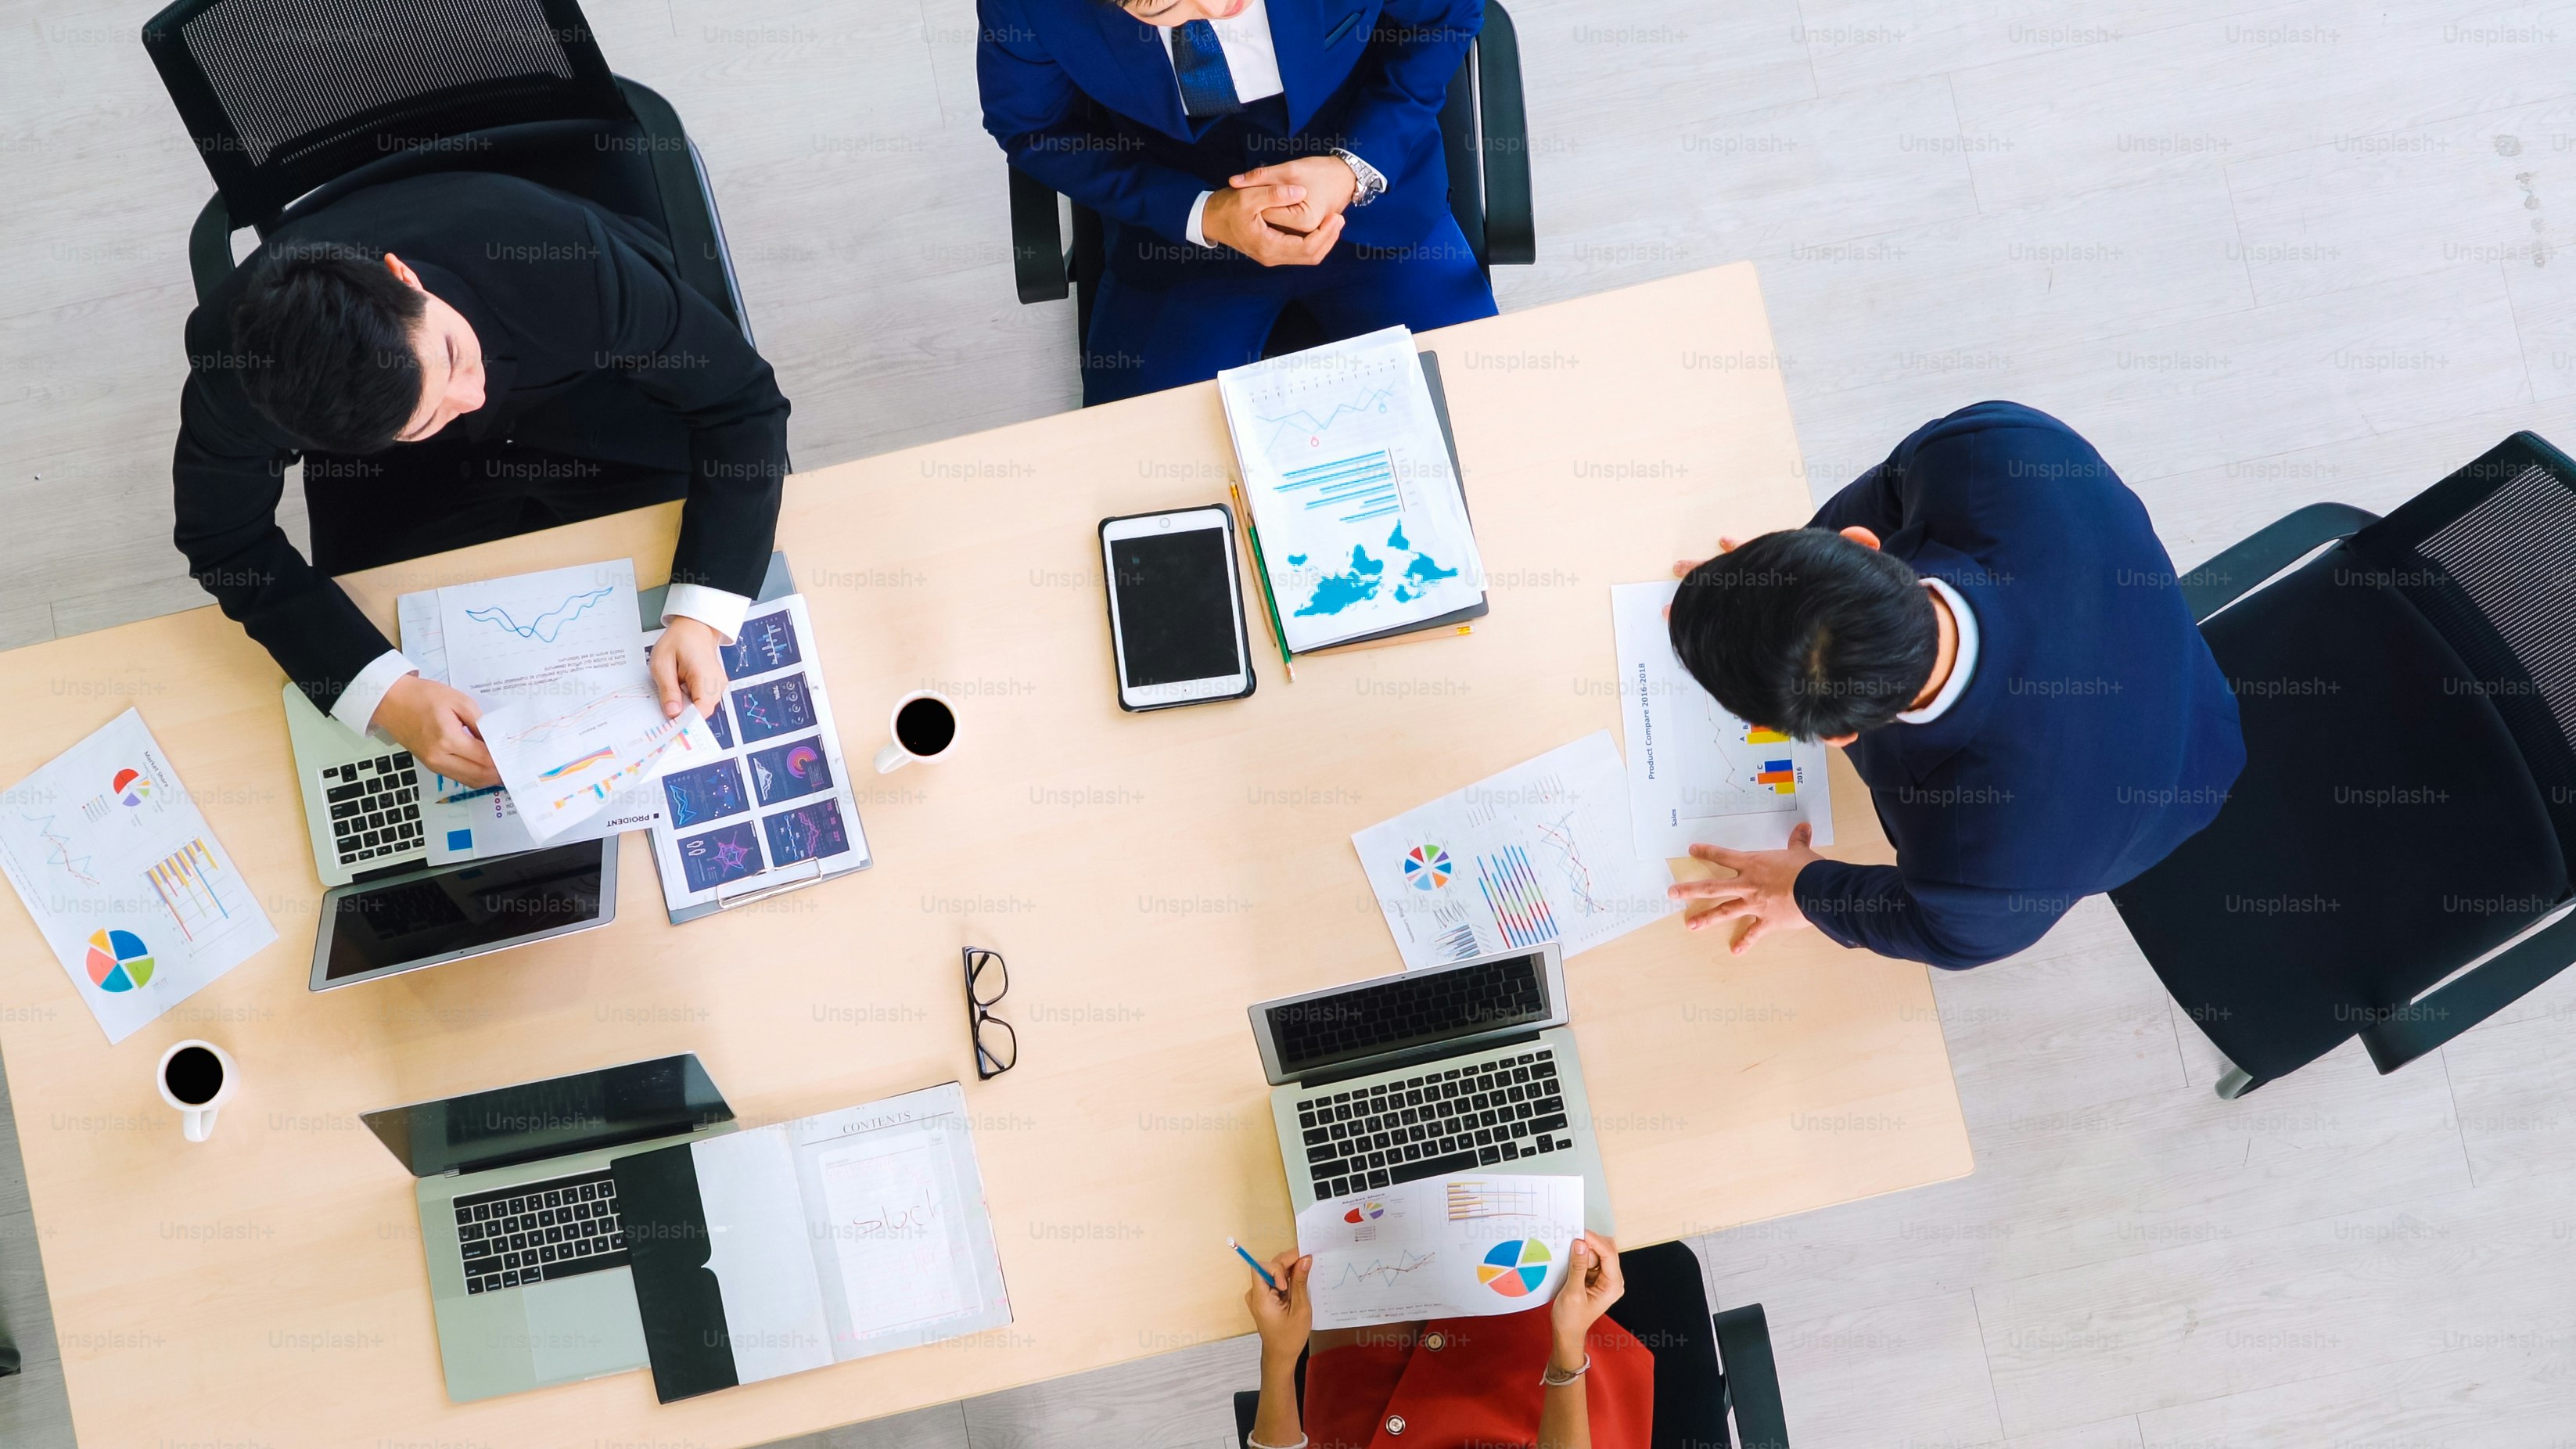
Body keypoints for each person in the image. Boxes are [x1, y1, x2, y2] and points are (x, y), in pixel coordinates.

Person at [174, 171, 791, 789]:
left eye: (452, 356)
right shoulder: (238, 379)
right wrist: (385, 695)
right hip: (407, 481)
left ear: (403, 277)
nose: (471, 396)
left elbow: (740, 403)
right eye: (431, 414)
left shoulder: (563, 254)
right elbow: (225, 544)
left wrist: (702, 615)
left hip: (597, 402)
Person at [1664, 401, 2247, 971]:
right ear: (1861, 544)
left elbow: (1943, 935)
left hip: (2177, 784)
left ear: (1840, 737)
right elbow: (1891, 491)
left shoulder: (1985, 867)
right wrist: (1790, 601)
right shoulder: (1997, 448)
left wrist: (1810, 891)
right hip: (2140, 645)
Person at [978, 0, 1497, 404]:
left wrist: (1354, 167)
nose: (1218, 7)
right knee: (1147, 468)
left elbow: (1446, 18)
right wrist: (1201, 212)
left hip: (1372, 208)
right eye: (1163, 9)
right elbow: (1032, 128)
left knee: (1484, 416)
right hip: (1176, 232)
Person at [1241, 1232, 1651, 1449]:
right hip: (1537, 1406)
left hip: (1366, 1426)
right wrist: (1567, 1341)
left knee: (1343, 1232)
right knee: (1514, 1230)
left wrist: (1278, 1359)